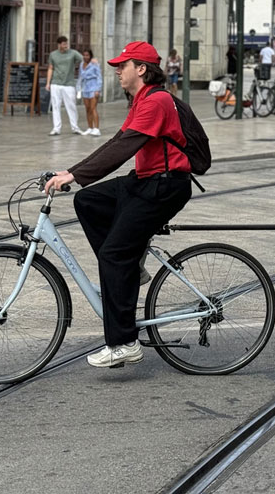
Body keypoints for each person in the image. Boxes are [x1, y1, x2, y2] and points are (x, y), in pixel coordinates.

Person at [45, 41, 192, 369]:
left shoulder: (156, 101)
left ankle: (124, 342)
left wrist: (74, 175)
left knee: (113, 254)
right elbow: (114, 142)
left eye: (122, 65)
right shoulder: (141, 100)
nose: (116, 70)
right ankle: (127, 268)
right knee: (88, 200)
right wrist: (72, 173)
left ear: (141, 69)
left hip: (164, 187)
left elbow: (123, 149)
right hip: (146, 181)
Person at [46, 36, 84, 136]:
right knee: (55, 106)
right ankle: (56, 128)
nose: (66, 45)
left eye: (66, 43)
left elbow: (84, 60)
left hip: (69, 84)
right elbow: (50, 68)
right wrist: (48, 83)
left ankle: (75, 127)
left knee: (71, 106)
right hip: (56, 83)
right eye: (63, 44)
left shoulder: (73, 53)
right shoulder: (53, 55)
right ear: (59, 45)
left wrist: (92, 61)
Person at [77, 48, 103, 137]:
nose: (85, 57)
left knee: (93, 108)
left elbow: (99, 77)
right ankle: (90, 127)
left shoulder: (94, 64)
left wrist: (98, 89)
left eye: (87, 55)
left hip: (93, 87)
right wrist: (78, 89)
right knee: (87, 109)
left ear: (90, 55)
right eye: (84, 55)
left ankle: (97, 128)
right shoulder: (81, 64)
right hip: (85, 88)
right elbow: (80, 77)